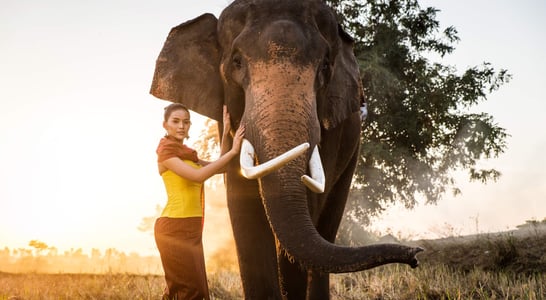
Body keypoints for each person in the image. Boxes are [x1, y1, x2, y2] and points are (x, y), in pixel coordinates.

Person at [154, 103, 244, 300]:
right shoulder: (166, 153)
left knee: (196, 290)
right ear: (165, 125)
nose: (181, 126)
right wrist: (234, 150)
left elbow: (219, 166)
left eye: (186, 122)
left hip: (190, 227)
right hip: (174, 228)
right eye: (175, 121)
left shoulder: (188, 155)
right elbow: (198, 176)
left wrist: (226, 134)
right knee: (188, 290)